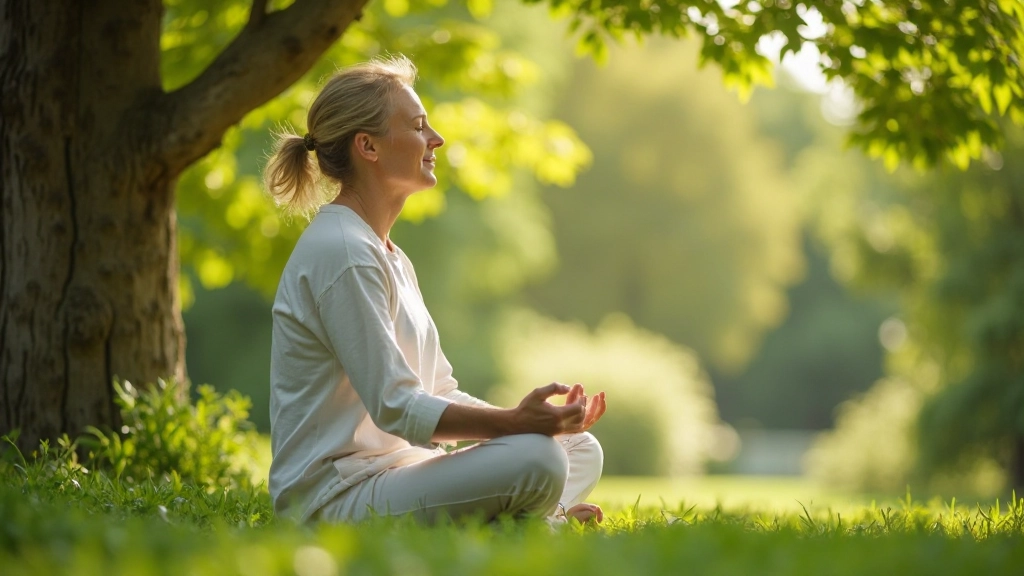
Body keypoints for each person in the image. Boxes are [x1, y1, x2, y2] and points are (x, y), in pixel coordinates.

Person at [263, 55, 607, 525]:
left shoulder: (388, 255)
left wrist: (535, 422)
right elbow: (395, 406)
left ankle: (533, 521)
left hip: (400, 471)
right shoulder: (342, 252)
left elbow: (438, 390)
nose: (436, 139)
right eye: (419, 125)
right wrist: (517, 426)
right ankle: (541, 523)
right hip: (336, 497)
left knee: (576, 448)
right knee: (538, 460)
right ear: (369, 146)